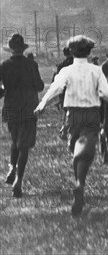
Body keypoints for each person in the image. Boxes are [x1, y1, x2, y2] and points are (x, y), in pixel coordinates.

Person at [34, 35, 108, 216]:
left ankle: (79, 183)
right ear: (89, 51)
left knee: (75, 150)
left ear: (71, 52)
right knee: (86, 149)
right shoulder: (96, 70)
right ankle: (80, 184)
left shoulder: (66, 71)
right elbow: (106, 92)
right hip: (92, 114)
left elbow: (54, 89)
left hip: (73, 115)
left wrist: (42, 106)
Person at [0, 34, 44, 198]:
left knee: (15, 140)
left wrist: (6, 91)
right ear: (23, 48)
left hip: (11, 107)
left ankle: (12, 166)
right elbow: (39, 86)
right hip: (28, 107)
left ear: (11, 49)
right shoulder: (32, 64)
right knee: (24, 145)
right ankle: (18, 180)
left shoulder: (3, 65)